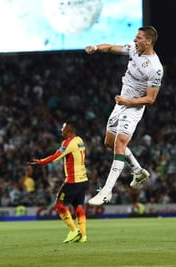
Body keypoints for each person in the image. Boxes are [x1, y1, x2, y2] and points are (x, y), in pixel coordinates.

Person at [85, 26, 164, 205]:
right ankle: (138, 170)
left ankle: (106, 191)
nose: (134, 40)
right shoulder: (133, 49)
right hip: (121, 103)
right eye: (135, 37)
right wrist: (96, 48)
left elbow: (151, 99)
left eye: (138, 38)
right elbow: (111, 47)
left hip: (134, 106)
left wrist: (127, 102)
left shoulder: (155, 68)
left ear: (148, 41)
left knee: (120, 143)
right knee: (109, 142)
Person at [28, 120, 89, 243]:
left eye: (63, 128)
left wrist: (40, 162)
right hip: (83, 179)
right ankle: (83, 235)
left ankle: (73, 231)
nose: (61, 130)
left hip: (73, 180)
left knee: (59, 204)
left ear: (68, 130)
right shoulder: (79, 140)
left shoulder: (68, 142)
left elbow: (56, 156)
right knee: (78, 206)